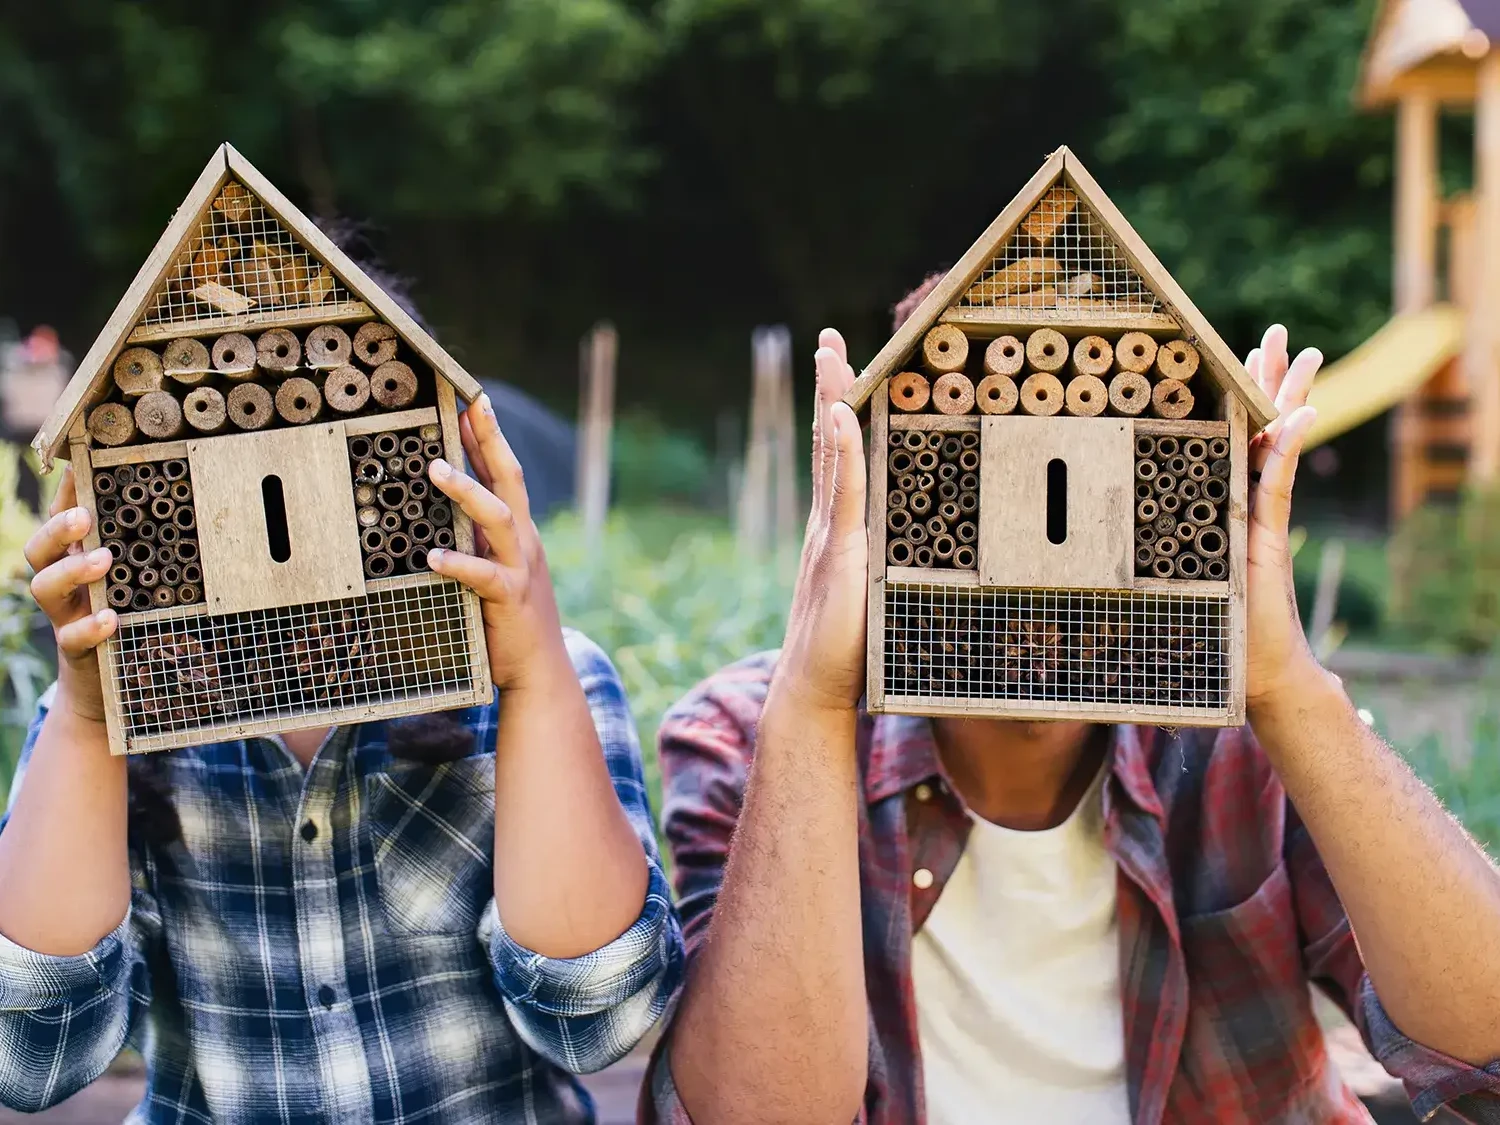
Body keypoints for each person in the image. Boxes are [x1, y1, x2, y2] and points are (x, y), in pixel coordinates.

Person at [647, 319, 1500, 1123]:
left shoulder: (1246, 743)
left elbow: (1487, 1054)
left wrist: (1287, 688)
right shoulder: (750, 733)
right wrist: (816, 694)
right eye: (973, 491)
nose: (1037, 575)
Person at [0, 394, 683, 1123]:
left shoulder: (543, 689)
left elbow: (603, 1019)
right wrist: (85, 716)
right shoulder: (98, 731)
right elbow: (34, 1055)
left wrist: (539, 676)